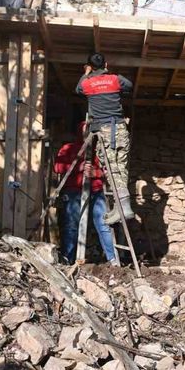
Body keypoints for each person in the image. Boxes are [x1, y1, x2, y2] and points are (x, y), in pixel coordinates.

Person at [76, 52, 135, 225]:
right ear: (106, 64)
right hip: (121, 129)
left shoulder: (87, 83)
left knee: (111, 169)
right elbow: (129, 85)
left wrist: (86, 73)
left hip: (105, 130)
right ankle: (120, 207)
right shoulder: (115, 79)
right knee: (120, 167)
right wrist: (109, 76)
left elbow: (78, 88)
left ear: (89, 66)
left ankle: (124, 208)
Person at [54, 122, 119, 266]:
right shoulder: (68, 148)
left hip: (95, 191)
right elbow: (58, 167)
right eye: (86, 129)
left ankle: (113, 259)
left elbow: (108, 171)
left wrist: (94, 172)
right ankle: (68, 259)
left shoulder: (100, 150)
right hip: (74, 192)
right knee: (71, 226)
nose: (88, 132)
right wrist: (79, 167)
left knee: (104, 224)